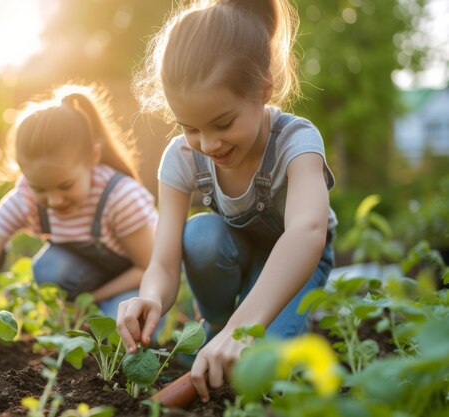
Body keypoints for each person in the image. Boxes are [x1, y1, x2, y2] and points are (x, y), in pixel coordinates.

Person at [116, 0, 337, 403]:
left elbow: (307, 233)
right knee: (201, 233)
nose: (209, 143)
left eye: (223, 123)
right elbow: (164, 263)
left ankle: (235, 337)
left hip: (293, 268)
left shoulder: (297, 142)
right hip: (233, 255)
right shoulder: (181, 159)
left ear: (264, 89)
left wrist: (245, 328)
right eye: (190, 127)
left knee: (263, 378)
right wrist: (149, 297)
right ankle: (216, 332)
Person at [0, 84, 157, 339]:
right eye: (39, 188)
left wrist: (90, 300)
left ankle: (99, 318)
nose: (53, 200)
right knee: (49, 269)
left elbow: (149, 269)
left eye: (65, 185)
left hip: (142, 282)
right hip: (93, 279)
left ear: (93, 158)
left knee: (119, 332)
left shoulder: (120, 198)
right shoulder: (23, 200)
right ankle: (82, 322)